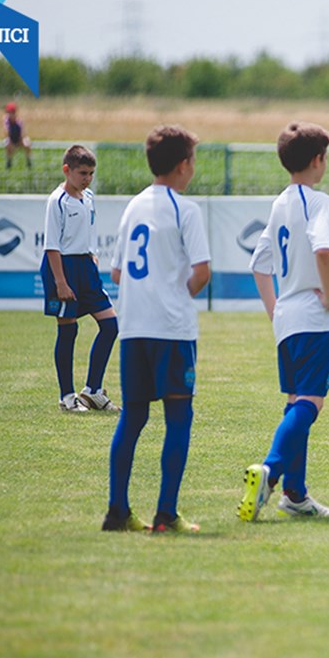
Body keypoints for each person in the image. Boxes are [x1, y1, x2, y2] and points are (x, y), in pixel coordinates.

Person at [103, 125, 211, 534]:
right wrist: (178, 294)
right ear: (183, 166)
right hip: (172, 329)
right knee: (178, 416)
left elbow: (115, 270)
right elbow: (202, 272)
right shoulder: (186, 209)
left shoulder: (134, 207)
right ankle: (166, 514)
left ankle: (117, 511)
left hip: (133, 327)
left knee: (132, 417)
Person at [239, 122, 329, 522]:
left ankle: (295, 495)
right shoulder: (317, 202)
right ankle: (269, 471)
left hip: (287, 319)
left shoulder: (280, 202)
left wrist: (275, 311)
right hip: (315, 320)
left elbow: (259, 265)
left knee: (294, 404)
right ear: (318, 160)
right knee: (310, 405)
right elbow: (323, 249)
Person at [41, 145, 119, 412]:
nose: (87, 178)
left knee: (111, 326)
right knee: (68, 329)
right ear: (67, 170)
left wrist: (93, 256)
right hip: (62, 267)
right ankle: (66, 396)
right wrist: (61, 282)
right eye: (82, 173)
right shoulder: (57, 201)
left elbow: (90, 230)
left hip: (86, 267)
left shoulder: (89, 198)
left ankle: (93, 390)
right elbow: (52, 245)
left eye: (91, 173)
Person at [3, 102, 31, 169]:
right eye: (8, 112)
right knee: (7, 143)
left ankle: (28, 160)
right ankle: (9, 161)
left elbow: (22, 133)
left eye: (11, 112)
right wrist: (12, 143)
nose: (10, 114)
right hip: (11, 139)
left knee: (27, 143)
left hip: (19, 139)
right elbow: (6, 133)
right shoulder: (6, 121)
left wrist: (20, 142)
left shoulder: (19, 121)